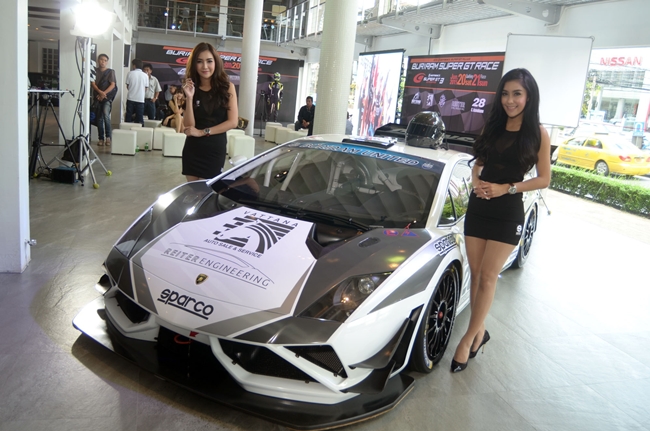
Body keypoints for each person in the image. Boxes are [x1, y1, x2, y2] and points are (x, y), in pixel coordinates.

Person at [450, 68, 551, 373]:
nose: (510, 100)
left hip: (508, 211)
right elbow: (478, 164)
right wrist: (477, 181)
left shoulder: (538, 133)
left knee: (488, 277)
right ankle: (480, 331)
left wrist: (507, 188)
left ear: (529, 97)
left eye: (517, 94)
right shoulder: (492, 126)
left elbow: (544, 179)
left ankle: (467, 339)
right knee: (476, 275)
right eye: (505, 94)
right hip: (479, 207)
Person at [181, 42, 238, 182]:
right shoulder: (190, 87)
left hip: (214, 150)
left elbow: (233, 122)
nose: (205, 66)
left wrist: (202, 132)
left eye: (209, 61)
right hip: (193, 150)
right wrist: (189, 98)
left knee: (206, 191)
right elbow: (189, 126)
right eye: (199, 61)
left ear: (216, 62)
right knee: (194, 191)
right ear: (194, 64)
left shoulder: (227, 87)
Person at [90, 53, 116, 146]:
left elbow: (112, 85)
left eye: (105, 60)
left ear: (107, 62)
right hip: (97, 97)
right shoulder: (94, 70)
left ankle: (108, 137)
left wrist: (103, 94)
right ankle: (101, 138)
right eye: (101, 60)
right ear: (98, 60)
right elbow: (92, 83)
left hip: (106, 98)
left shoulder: (110, 72)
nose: (103, 62)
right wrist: (99, 92)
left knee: (106, 116)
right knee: (99, 118)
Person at [125, 58, 148, 126]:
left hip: (130, 98)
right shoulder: (145, 75)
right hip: (140, 99)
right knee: (140, 117)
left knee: (129, 115)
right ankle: (140, 130)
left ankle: (126, 129)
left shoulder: (130, 73)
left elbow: (128, 86)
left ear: (134, 65)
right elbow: (146, 88)